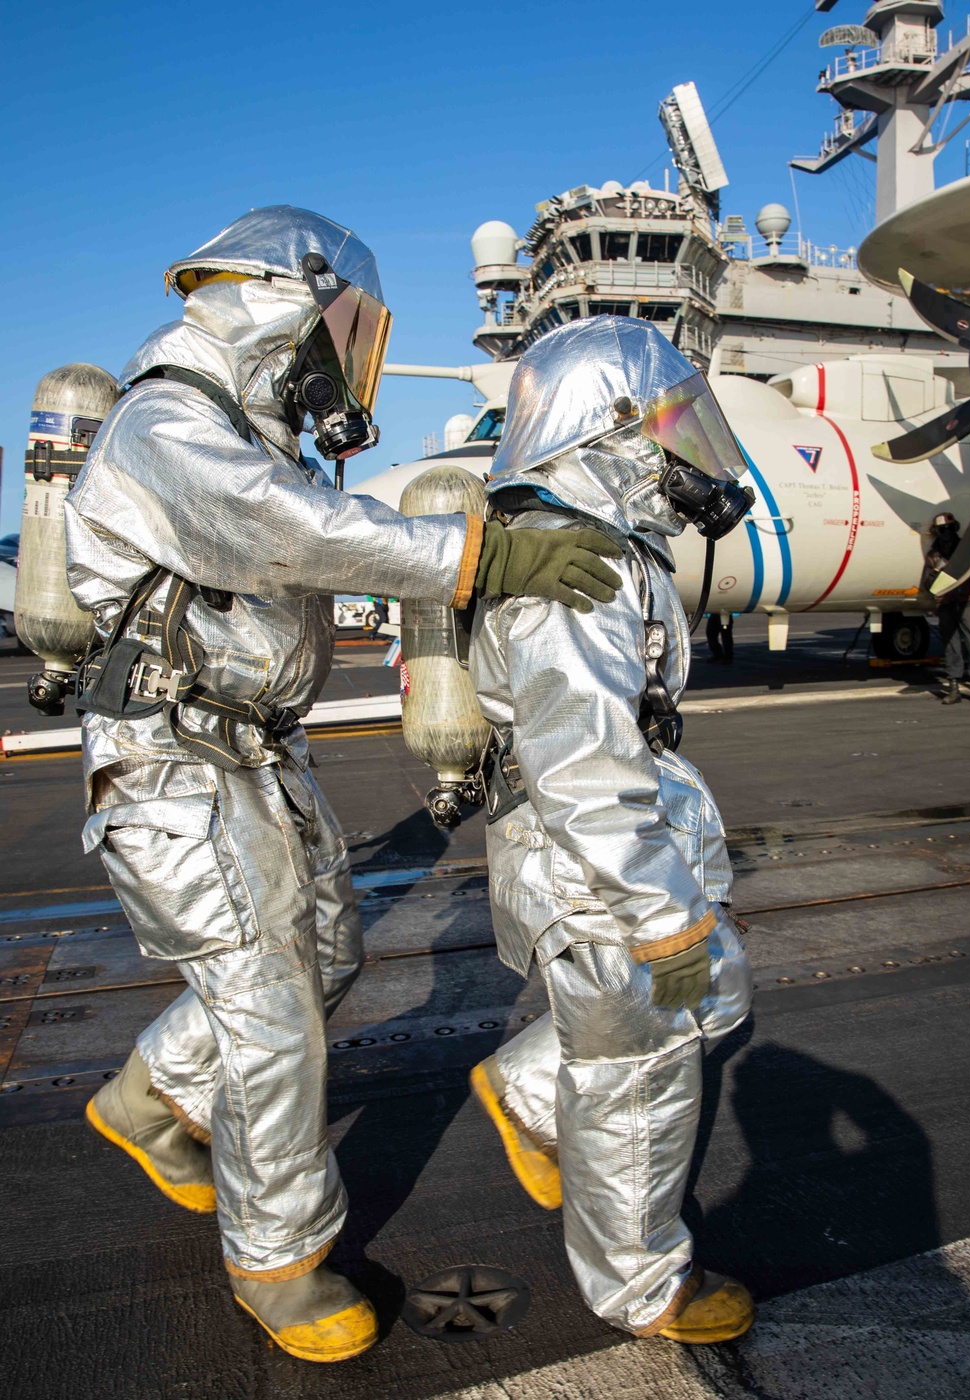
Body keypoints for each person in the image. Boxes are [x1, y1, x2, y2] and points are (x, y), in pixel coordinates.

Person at [63, 206, 625, 1364]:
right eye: (345, 326)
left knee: (323, 957)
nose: (346, 354)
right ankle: (279, 1258)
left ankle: (149, 1100)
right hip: (173, 760)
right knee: (268, 1012)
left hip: (254, 749)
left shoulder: (241, 429)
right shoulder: (168, 422)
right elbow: (286, 533)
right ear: (289, 299)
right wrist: (478, 554)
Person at [467, 316, 756, 1345]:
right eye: (670, 422)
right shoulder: (573, 564)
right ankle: (641, 1282)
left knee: (704, 1004)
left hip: (607, 851)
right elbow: (584, 766)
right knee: (643, 1069)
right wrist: (661, 915)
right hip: (598, 869)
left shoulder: (592, 545)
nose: (689, 448)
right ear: (611, 430)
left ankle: (532, 1088)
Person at [923, 512, 970, 706]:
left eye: (949, 529)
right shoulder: (934, 555)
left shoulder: (968, 550)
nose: (946, 533)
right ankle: (954, 687)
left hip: (967, 601)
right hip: (946, 603)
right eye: (942, 530)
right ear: (936, 532)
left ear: (955, 529)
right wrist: (939, 575)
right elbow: (928, 582)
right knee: (952, 646)